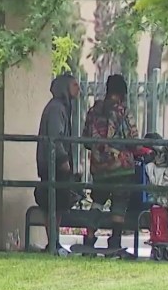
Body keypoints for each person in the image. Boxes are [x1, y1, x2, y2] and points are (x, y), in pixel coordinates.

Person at [82, 74, 150, 249]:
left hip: (99, 167)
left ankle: (89, 238)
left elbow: (86, 141)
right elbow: (133, 140)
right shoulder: (123, 111)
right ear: (122, 93)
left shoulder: (93, 111)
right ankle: (115, 241)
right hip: (121, 167)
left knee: (97, 201)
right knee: (119, 202)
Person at [34, 73, 81, 255]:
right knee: (52, 203)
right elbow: (56, 136)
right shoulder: (56, 108)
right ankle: (52, 242)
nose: (78, 89)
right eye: (74, 85)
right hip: (52, 163)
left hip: (54, 162)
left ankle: (54, 242)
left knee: (58, 203)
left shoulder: (61, 107)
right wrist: (63, 160)